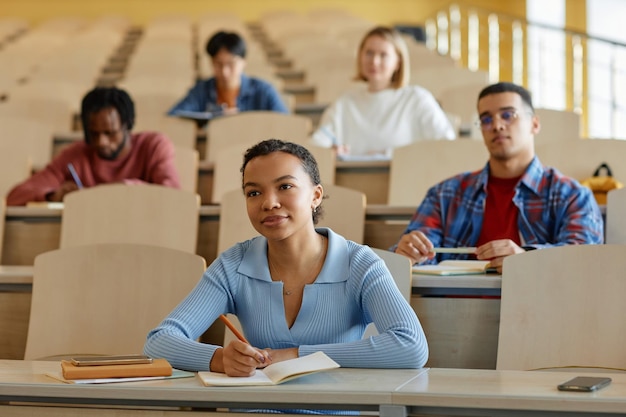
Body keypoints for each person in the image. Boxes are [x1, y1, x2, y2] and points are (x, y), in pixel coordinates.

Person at [144, 139, 428, 375]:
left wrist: (295, 355)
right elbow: (159, 342)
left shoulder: (361, 264)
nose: (269, 203)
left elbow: (411, 346)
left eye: (285, 187)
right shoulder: (233, 264)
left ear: (316, 195)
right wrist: (219, 359)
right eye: (254, 192)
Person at [393, 82, 604, 273]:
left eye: (508, 115)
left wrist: (527, 259)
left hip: (540, 310)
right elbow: (411, 254)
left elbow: (584, 258)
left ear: (534, 124)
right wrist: (410, 254)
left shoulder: (572, 195)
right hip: (453, 308)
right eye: (486, 119)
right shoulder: (445, 194)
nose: (496, 125)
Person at [6, 87, 180, 206]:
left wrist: (123, 189)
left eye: (110, 133)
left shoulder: (153, 146)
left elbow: (173, 196)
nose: (101, 142)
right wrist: (52, 195)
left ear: (128, 125)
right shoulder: (74, 156)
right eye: (93, 133)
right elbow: (15, 196)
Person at [311, 26, 456, 158]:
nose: (374, 61)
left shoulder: (417, 98)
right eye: (369, 53)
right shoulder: (345, 102)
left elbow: (446, 144)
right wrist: (330, 151)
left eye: (383, 55)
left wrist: (387, 153)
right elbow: (315, 146)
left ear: (398, 62)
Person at [167, 30, 288, 120]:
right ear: (211, 62)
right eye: (218, 64)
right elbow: (173, 117)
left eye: (231, 64)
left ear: (243, 62)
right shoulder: (201, 90)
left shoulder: (264, 90)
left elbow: (285, 123)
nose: (225, 71)